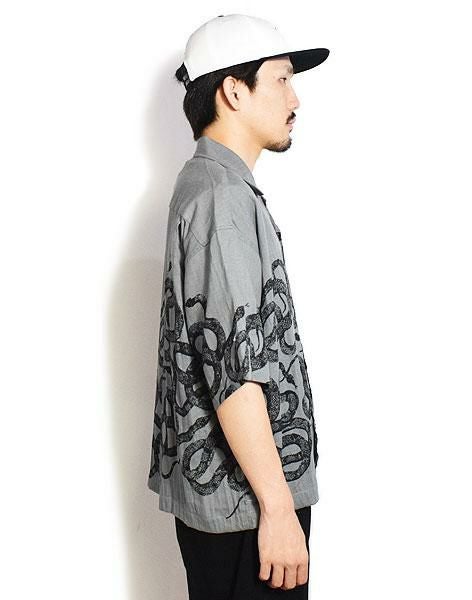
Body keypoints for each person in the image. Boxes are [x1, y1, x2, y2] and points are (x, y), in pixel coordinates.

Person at [147, 13, 329, 599]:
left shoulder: (208, 185)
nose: (294, 98)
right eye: (282, 80)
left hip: (236, 507)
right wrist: (278, 509)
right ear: (233, 90)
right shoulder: (222, 198)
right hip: (247, 509)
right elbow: (235, 373)